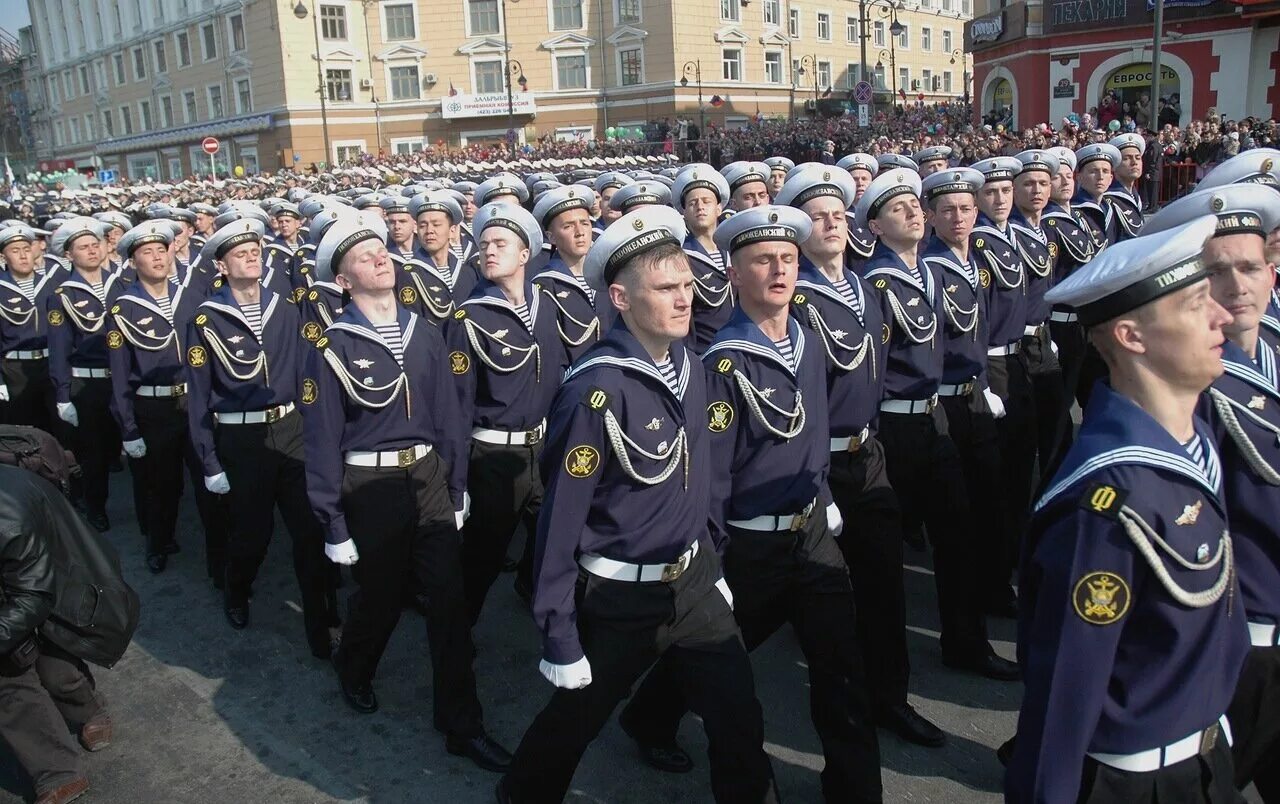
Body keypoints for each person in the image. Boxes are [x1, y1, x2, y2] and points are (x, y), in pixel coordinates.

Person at [499, 206, 779, 804]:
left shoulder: (689, 364)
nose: (685, 301)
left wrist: (711, 558)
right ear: (621, 299)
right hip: (620, 595)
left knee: (738, 719)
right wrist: (559, 632)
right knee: (575, 720)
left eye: (686, 286)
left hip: (695, 582)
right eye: (665, 289)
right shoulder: (595, 390)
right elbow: (558, 523)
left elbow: (702, 472)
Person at [1007, 215, 1249, 804]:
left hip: (1206, 760)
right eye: (1197, 305)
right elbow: (1063, 698)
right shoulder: (1105, 506)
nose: (1223, 314)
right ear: (1131, 338)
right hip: (1139, 784)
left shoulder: (1189, 443)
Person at [301, 211, 510, 771]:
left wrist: (456, 485)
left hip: (428, 480)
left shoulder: (424, 330)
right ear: (343, 280)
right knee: (382, 597)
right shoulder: (331, 345)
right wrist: (333, 523)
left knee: (449, 602)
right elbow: (320, 441)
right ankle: (354, 664)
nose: (379, 256)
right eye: (362, 255)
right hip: (369, 486)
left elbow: (448, 415)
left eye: (380, 249)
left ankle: (461, 725)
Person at [780, 165, 945, 748]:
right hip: (814, 468)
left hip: (868, 454)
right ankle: (658, 704)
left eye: (838, 214)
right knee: (769, 603)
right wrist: (818, 484)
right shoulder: (794, 300)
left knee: (883, 587)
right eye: (818, 218)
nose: (832, 224)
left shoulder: (866, 288)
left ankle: (887, 700)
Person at [1146, 184, 1280, 800]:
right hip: (1241, 639)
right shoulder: (1189, 387)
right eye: (1215, 272)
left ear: (1272, 271)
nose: (1238, 286)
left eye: (1250, 267)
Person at [858, 170, 1017, 679]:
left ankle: (966, 643)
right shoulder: (877, 284)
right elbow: (873, 368)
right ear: (876, 228)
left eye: (912, 202)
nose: (911, 211)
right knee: (881, 560)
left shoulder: (931, 273)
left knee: (959, 534)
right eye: (896, 207)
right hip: (895, 427)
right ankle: (883, 676)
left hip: (936, 420)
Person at [184, 218, 338, 651]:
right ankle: (236, 588)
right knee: (252, 532)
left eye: (255, 252)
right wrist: (208, 460)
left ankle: (320, 625)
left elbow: (310, 371)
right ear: (221, 265)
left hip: (291, 429)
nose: (251, 258)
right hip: (241, 439)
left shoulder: (286, 306)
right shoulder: (206, 318)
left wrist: (319, 429)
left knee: (309, 531)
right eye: (240, 254)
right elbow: (198, 396)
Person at [445, 202, 567, 623]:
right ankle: (457, 635)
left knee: (555, 538)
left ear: (524, 254)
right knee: (482, 557)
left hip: (544, 449)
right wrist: (456, 484)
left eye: (500, 243)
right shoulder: (469, 319)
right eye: (483, 244)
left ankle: (531, 590)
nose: (488, 251)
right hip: (494, 458)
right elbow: (456, 410)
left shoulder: (547, 304)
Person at [106, 221, 224, 574]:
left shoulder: (193, 295)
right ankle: (158, 543)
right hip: (154, 408)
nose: (157, 258)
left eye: (162, 250)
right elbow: (119, 374)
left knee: (210, 482)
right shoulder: (123, 308)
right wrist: (128, 428)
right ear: (132, 262)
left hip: (196, 402)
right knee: (161, 484)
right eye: (147, 253)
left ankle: (220, 561)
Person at [0, 465, 113, 804]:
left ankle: (87, 710)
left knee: (54, 662)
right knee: (8, 685)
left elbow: (33, 596)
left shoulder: (9, 518)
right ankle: (56, 771)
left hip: (42, 584)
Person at [971, 156, 1035, 616]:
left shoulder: (1013, 235)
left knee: (1020, 467)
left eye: (1004, 191)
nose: (999, 199)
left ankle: (1015, 557)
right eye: (990, 192)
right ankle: (996, 577)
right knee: (995, 482)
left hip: (1022, 356)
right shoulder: (978, 244)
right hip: (992, 365)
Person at [46, 217, 122, 533]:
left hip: (122, 379)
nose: (91, 251)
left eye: (95, 245)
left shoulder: (120, 283)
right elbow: (59, 349)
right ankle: (96, 506)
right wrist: (63, 395)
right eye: (83, 247)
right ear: (69, 255)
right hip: (88, 382)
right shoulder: (62, 294)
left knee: (126, 444)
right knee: (94, 452)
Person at [1010, 150, 1068, 472]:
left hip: (1044, 339)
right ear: (1015, 189)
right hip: (1020, 347)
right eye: (1029, 184)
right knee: (1024, 438)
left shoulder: (1043, 230)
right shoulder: (1010, 235)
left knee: (1055, 427)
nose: (1037, 191)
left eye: (1043, 183)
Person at [531, 185, 604, 364]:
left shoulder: (607, 277)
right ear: (552, 237)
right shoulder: (543, 287)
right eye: (568, 226)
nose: (580, 232)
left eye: (585, 223)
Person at [0, 225, 62, 431]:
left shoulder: (53, 284)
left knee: (59, 425)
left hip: (51, 364)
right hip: (15, 369)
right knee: (23, 428)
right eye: (15, 251)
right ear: (3, 257)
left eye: (26, 249)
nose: (23, 256)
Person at [671, 165, 734, 352]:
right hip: (704, 352)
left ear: (719, 208)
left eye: (706, 201)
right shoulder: (681, 258)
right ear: (684, 213)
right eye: (692, 203)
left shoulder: (733, 250)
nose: (700, 207)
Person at [399, 192, 473, 323]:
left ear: (452, 230)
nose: (429, 231)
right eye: (422, 225)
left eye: (436, 224)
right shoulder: (409, 275)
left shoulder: (466, 270)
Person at [1106, 134, 1146, 239]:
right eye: (1127, 158)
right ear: (1114, 166)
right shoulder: (1109, 201)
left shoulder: (1134, 195)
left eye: (1138, 158)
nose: (1134, 163)